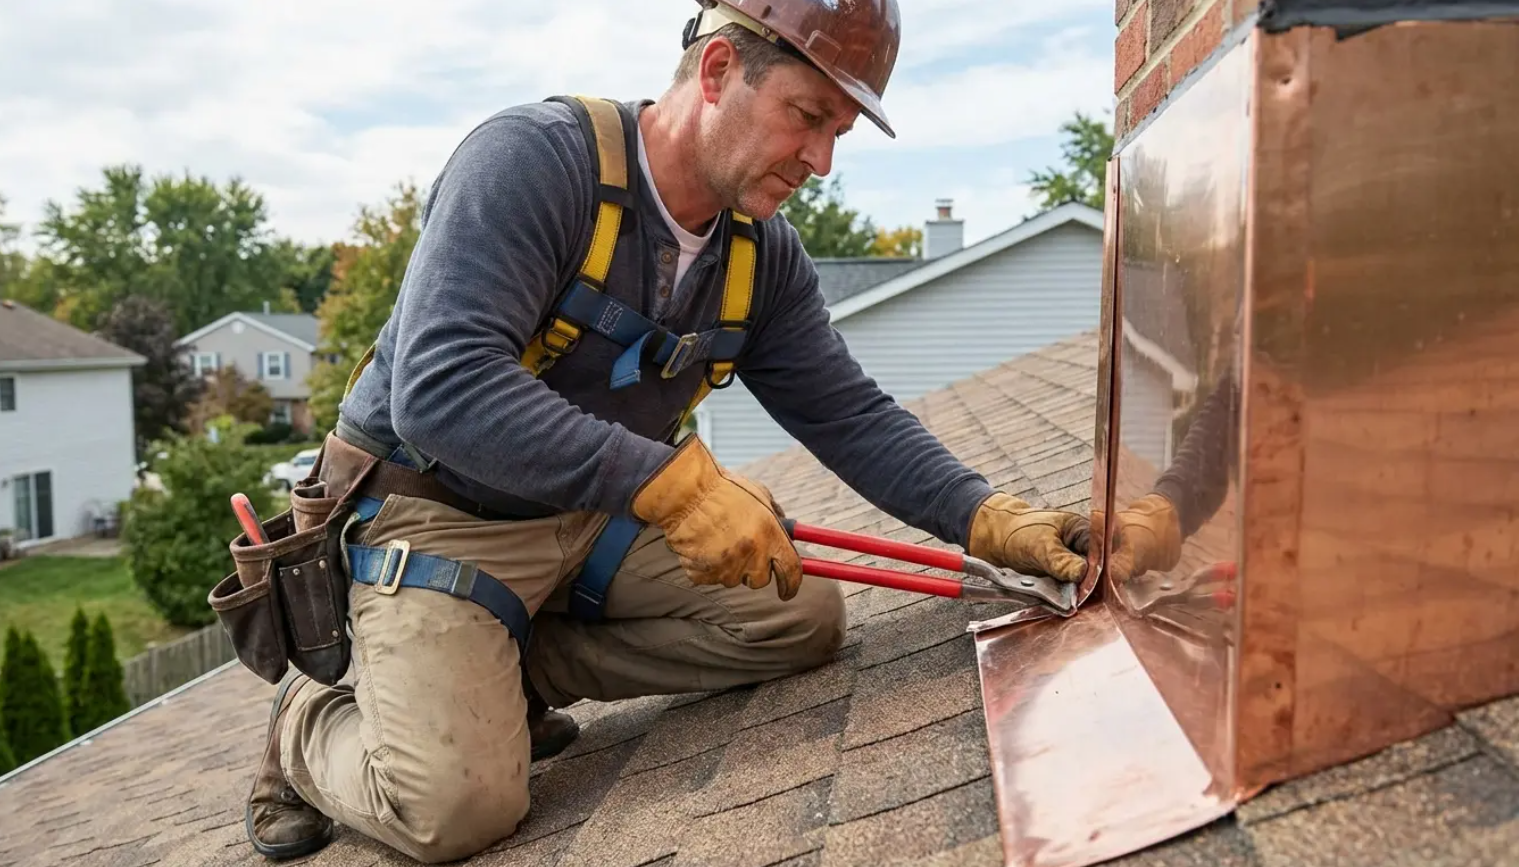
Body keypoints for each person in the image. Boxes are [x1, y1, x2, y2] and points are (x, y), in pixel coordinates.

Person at [242, 1, 1091, 862]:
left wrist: (986, 515)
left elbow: (847, 413)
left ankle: (505, 672)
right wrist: (673, 486)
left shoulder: (759, 256)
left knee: (798, 617)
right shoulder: (532, 165)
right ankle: (310, 718)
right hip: (438, 511)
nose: (823, 162)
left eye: (840, 131)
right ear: (718, 71)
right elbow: (441, 387)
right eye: (807, 117)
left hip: (586, 511)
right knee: (453, 808)